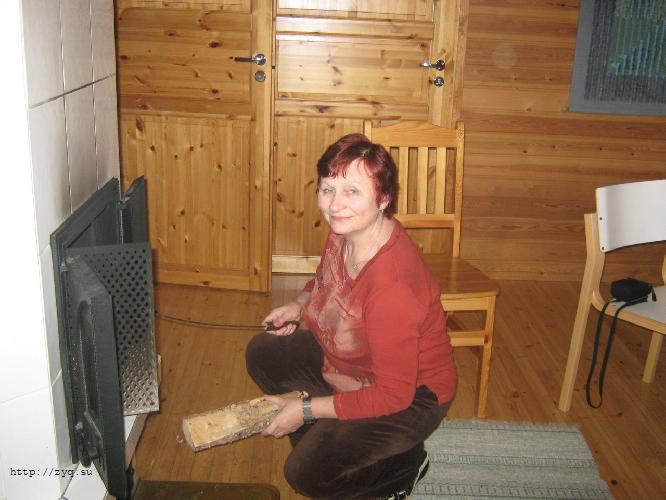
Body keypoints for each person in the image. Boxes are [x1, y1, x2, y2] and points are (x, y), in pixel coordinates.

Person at [246, 133, 457, 499]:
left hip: (412, 396)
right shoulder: (346, 232)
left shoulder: (392, 288)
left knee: (305, 473)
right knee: (263, 353)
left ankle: (403, 467)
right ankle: (330, 437)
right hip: (353, 368)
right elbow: (323, 277)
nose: (335, 205)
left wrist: (306, 409)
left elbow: (393, 394)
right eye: (327, 190)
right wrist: (298, 304)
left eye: (352, 191)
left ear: (384, 198)